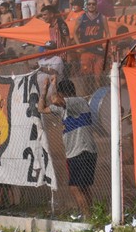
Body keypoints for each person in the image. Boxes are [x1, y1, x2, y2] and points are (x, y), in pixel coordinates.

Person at [38, 75, 97, 216]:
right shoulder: (63, 108)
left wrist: (53, 84)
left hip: (81, 151)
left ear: (63, 93)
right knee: (83, 187)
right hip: (75, 152)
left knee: (75, 188)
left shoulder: (78, 102)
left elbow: (55, 100)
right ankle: (91, 214)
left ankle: (87, 216)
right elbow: (41, 109)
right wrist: (44, 90)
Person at [75, 0, 110, 89]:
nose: (91, 5)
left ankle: (97, 93)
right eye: (89, 4)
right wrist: (79, 45)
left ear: (96, 5)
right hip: (86, 49)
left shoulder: (102, 17)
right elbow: (74, 32)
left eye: (93, 4)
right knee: (86, 74)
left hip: (98, 50)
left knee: (98, 75)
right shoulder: (81, 18)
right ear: (86, 5)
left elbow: (108, 33)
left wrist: (106, 44)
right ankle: (87, 93)